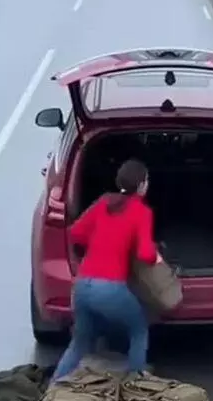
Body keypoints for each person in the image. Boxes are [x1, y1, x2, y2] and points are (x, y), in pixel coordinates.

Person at [51, 159, 157, 382]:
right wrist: (156, 252)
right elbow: (146, 254)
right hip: (110, 289)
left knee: (80, 342)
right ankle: (137, 388)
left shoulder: (104, 202)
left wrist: (101, 241)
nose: (147, 185)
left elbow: (76, 233)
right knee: (138, 328)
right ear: (140, 185)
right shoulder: (142, 212)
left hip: (81, 287)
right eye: (146, 181)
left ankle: (52, 392)